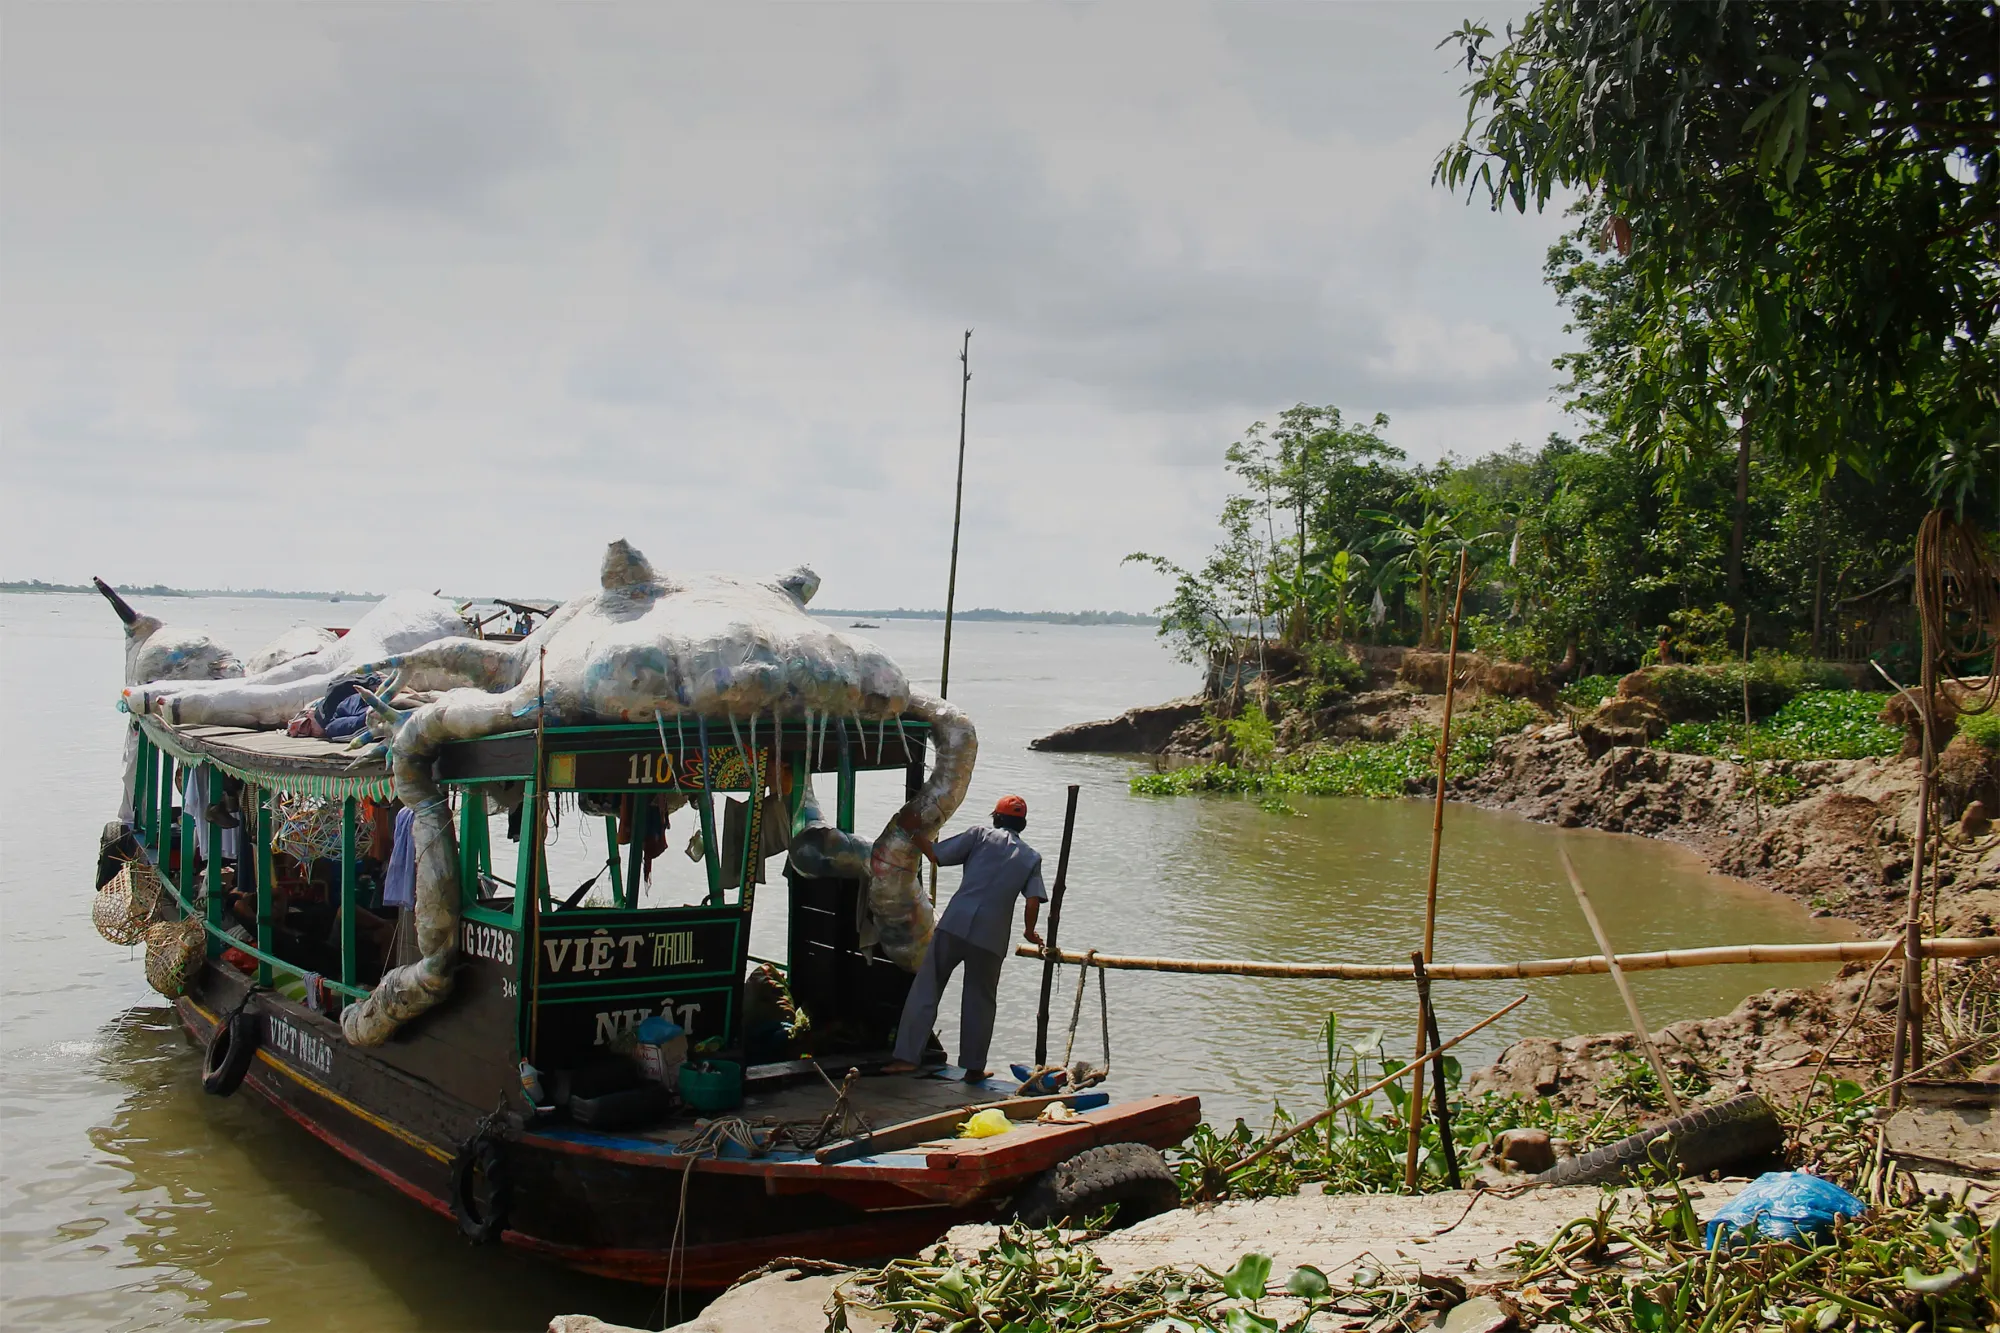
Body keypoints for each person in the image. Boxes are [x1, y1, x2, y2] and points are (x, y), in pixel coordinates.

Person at [884, 794, 1047, 1080]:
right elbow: (1032, 901)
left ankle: (907, 1058)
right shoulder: (1031, 857)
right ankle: (973, 1068)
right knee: (980, 1000)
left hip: (955, 924)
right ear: (1022, 824)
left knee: (927, 987)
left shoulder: (979, 835)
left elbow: (936, 855)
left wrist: (912, 832)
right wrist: (1029, 931)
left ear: (996, 818)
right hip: (991, 937)